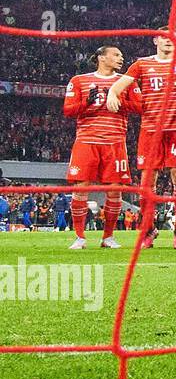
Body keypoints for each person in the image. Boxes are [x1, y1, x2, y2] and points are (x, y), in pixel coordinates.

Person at [108, 29, 176, 248]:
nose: (168, 42)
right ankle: (148, 230)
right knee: (148, 181)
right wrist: (111, 93)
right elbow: (121, 84)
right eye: (164, 38)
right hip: (151, 130)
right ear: (156, 40)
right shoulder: (142, 64)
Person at [63, 45, 142, 249]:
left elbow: (141, 106)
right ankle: (80, 237)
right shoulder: (79, 80)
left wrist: (118, 99)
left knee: (115, 191)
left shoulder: (126, 81)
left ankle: (108, 237)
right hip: (86, 142)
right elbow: (68, 110)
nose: (120, 58)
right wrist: (86, 104)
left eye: (121, 55)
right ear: (101, 57)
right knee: (80, 188)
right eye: (116, 54)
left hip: (115, 143)